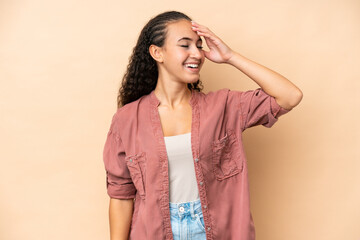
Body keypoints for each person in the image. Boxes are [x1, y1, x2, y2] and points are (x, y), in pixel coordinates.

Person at [103, 10, 303, 240]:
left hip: (213, 230)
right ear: (157, 52)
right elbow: (120, 195)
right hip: (154, 232)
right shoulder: (127, 119)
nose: (197, 54)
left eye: (199, 46)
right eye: (185, 45)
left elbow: (290, 96)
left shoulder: (224, 106)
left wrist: (230, 57)